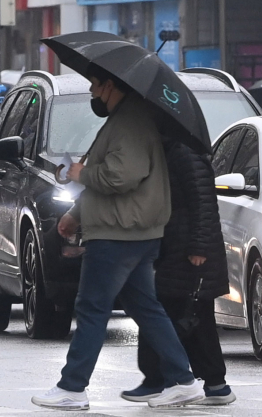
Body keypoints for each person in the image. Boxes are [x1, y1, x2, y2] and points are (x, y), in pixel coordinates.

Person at [32, 67, 205, 410]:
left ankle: (72, 387)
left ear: (110, 85)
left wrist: (82, 173)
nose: (92, 93)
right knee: (146, 308)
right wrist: (76, 213)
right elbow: (114, 180)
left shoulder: (129, 123)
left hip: (117, 234)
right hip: (130, 230)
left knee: (92, 307)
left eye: (95, 86)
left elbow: (121, 177)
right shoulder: (126, 120)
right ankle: (183, 380)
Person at [126, 137, 235, 405]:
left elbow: (203, 203)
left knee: (173, 314)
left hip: (189, 251)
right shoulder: (172, 150)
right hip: (178, 247)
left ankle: (162, 380)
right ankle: (213, 384)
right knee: (190, 316)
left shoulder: (184, 153)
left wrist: (198, 246)